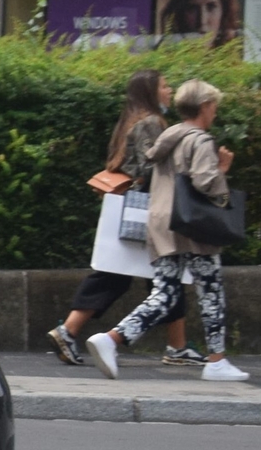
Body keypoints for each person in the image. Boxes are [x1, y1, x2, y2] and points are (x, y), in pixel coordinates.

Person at [88, 80, 247, 382]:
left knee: (165, 294)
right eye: (213, 106)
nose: (215, 111)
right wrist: (222, 173)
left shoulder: (168, 138)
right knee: (211, 290)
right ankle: (216, 361)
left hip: (162, 222)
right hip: (194, 227)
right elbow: (204, 181)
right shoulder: (199, 140)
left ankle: (111, 338)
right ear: (204, 107)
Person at [47, 69, 198, 367]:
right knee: (158, 275)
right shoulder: (151, 122)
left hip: (132, 206)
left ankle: (176, 346)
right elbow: (149, 167)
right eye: (165, 86)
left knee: (133, 276)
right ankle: (69, 330)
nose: (170, 91)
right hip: (148, 209)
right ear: (150, 92)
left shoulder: (129, 121)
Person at [157, 0, 241, 46]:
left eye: (211, 7)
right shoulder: (161, 59)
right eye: (192, 9)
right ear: (179, 14)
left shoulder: (237, 57)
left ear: (224, 11)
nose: (202, 20)